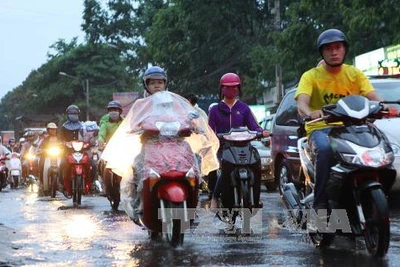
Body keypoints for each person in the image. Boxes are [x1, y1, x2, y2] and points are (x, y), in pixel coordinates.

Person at [101, 66, 219, 224]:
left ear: (165, 84)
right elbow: (133, 122)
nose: (157, 86)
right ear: (146, 85)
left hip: (178, 145)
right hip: (150, 146)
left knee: (193, 170)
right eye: (153, 83)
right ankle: (138, 204)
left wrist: (195, 124)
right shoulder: (141, 104)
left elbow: (187, 116)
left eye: (160, 82)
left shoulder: (175, 102)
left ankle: (192, 205)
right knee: (135, 171)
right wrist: (137, 127)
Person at [295, 29, 388, 211]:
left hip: (351, 127)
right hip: (321, 128)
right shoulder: (310, 76)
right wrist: (310, 112)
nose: (334, 52)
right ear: (322, 52)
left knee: (379, 144)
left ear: (345, 49)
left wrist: (383, 106)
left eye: (338, 47)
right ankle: (320, 203)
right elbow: (302, 103)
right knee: (324, 149)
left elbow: (373, 96)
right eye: (328, 48)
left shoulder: (354, 74)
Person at [208, 72, 269, 208]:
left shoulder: (244, 108)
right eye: (228, 87)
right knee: (225, 168)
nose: (232, 90)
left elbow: (253, 126)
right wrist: (212, 137)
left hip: (244, 147)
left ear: (239, 89)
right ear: (222, 89)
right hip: (224, 148)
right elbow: (210, 129)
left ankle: (256, 197)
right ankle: (215, 197)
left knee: (256, 163)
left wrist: (262, 133)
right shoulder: (215, 109)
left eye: (235, 87)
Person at [97, 100, 124, 197]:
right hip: (109, 149)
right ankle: (104, 186)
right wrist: (100, 141)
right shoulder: (105, 123)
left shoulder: (124, 122)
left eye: (115, 110)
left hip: (123, 149)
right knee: (101, 165)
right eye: (111, 110)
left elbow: (130, 132)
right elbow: (101, 134)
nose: (113, 112)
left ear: (120, 111)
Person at [58, 104, 87, 194]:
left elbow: (87, 137)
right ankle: (62, 183)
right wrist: (63, 143)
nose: (73, 115)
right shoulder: (64, 127)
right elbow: (60, 139)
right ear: (68, 114)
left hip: (81, 151)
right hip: (67, 151)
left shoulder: (83, 126)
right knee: (62, 164)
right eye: (71, 113)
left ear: (78, 114)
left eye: (75, 113)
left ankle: (90, 183)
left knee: (91, 164)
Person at [37, 123, 60, 195]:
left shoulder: (60, 139)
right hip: (48, 156)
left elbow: (64, 145)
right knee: (42, 166)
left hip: (59, 156)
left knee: (64, 165)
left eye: (54, 129)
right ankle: (43, 185)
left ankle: (63, 184)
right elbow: (41, 148)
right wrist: (42, 151)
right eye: (51, 129)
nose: (52, 131)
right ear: (48, 130)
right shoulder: (45, 140)